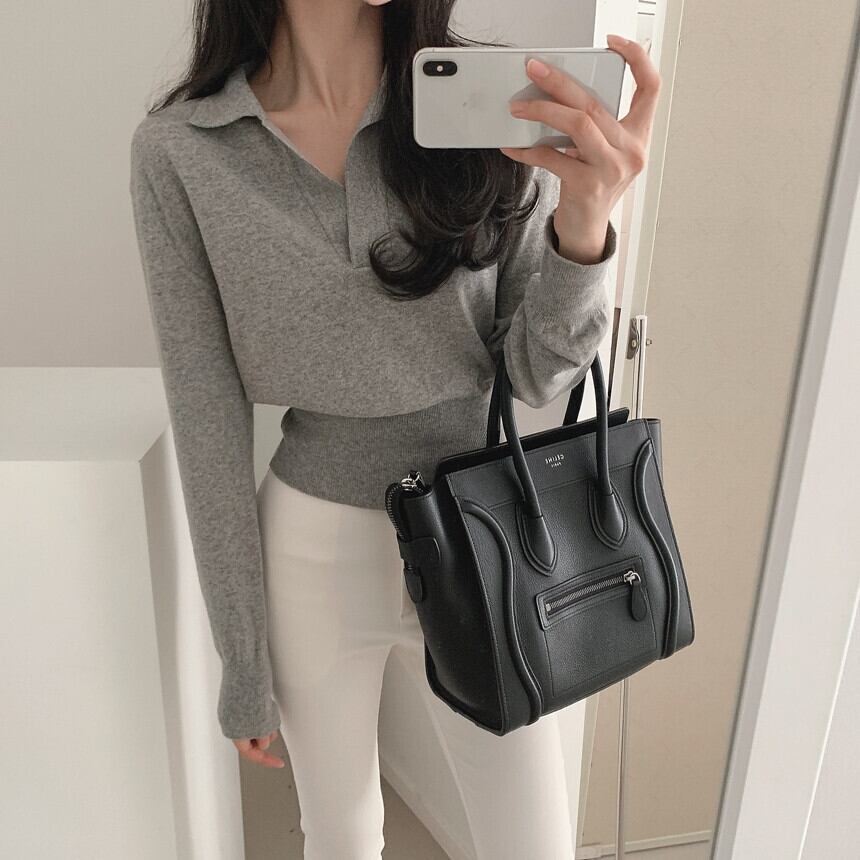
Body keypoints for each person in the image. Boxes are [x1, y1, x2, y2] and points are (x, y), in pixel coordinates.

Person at [128, 0, 659, 856]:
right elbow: (206, 418)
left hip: (485, 532)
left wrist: (586, 220)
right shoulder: (185, 151)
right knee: (339, 835)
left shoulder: (488, 106)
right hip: (310, 546)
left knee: (532, 842)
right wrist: (242, 658)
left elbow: (537, 373)